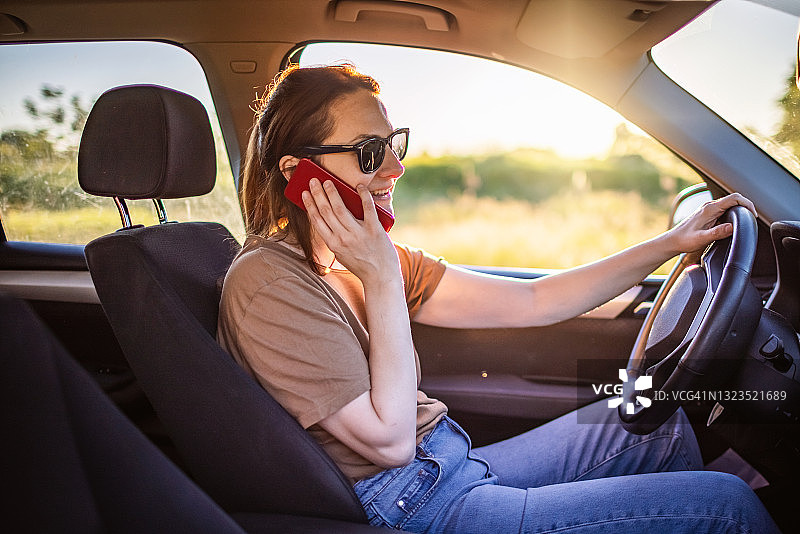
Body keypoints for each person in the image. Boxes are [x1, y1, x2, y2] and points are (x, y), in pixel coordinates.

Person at [217, 64, 779, 533]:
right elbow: (388, 445)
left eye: (393, 145)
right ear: (298, 171)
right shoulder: (270, 285)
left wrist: (671, 243)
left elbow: (534, 303)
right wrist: (384, 281)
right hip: (414, 506)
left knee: (659, 424)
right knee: (728, 507)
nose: (396, 167)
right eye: (369, 152)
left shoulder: (364, 261)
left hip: (451, 464)